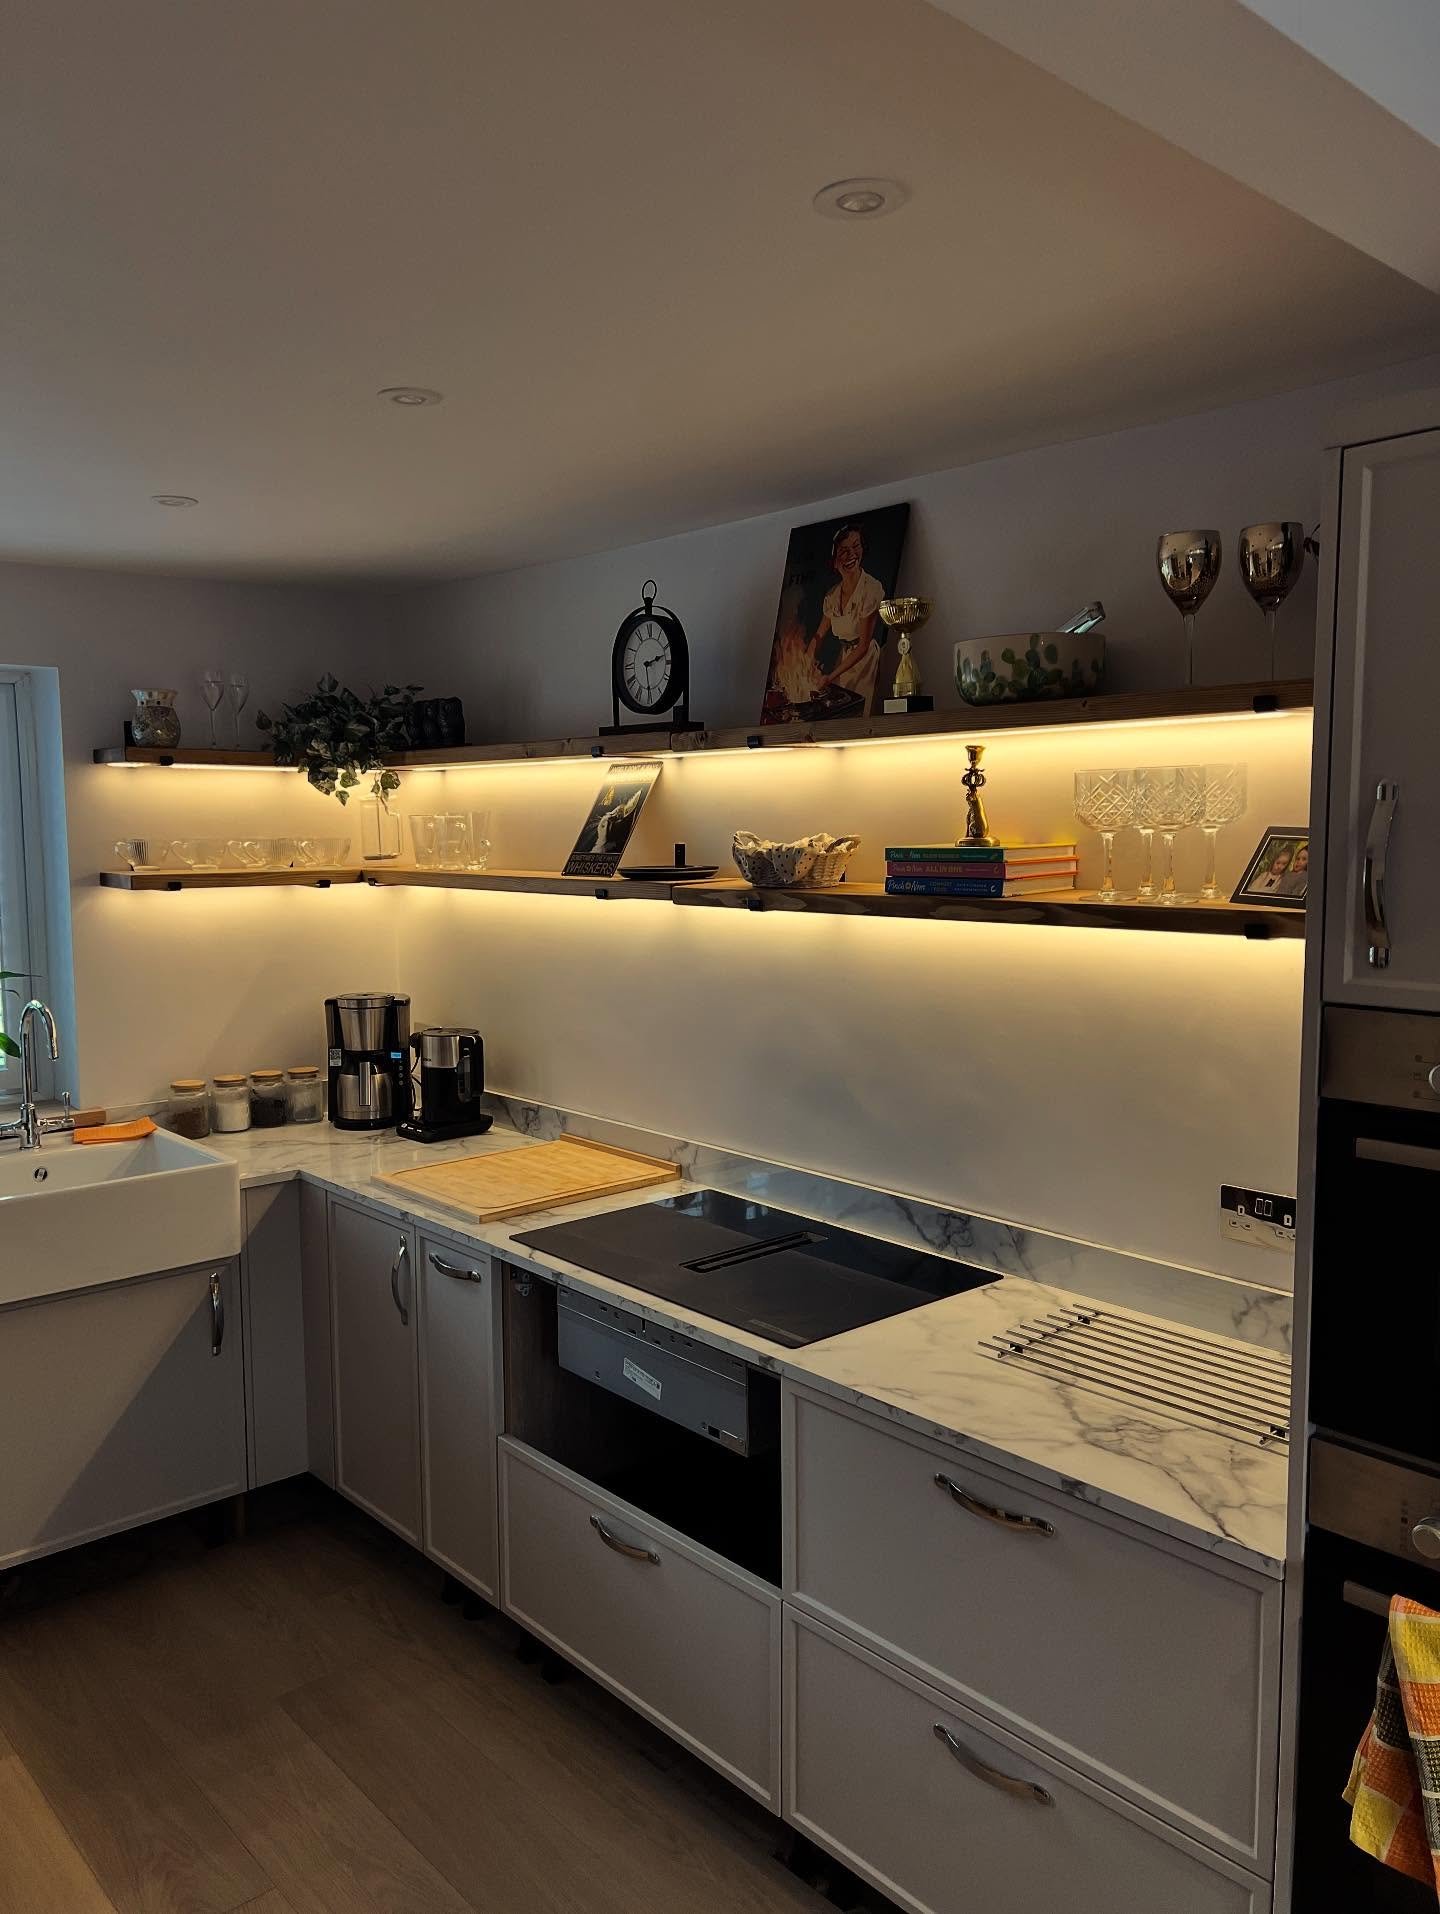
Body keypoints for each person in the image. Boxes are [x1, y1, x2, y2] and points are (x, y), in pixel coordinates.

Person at [809, 523, 887, 710]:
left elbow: (862, 646)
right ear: (835, 559)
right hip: (843, 661)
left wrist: (830, 676)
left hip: (865, 662)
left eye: (856, 546)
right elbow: (819, 635)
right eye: (844, 550)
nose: (851, 554)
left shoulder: (870, 589)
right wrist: (805, 661)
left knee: (858, 710)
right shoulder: (832, 596)